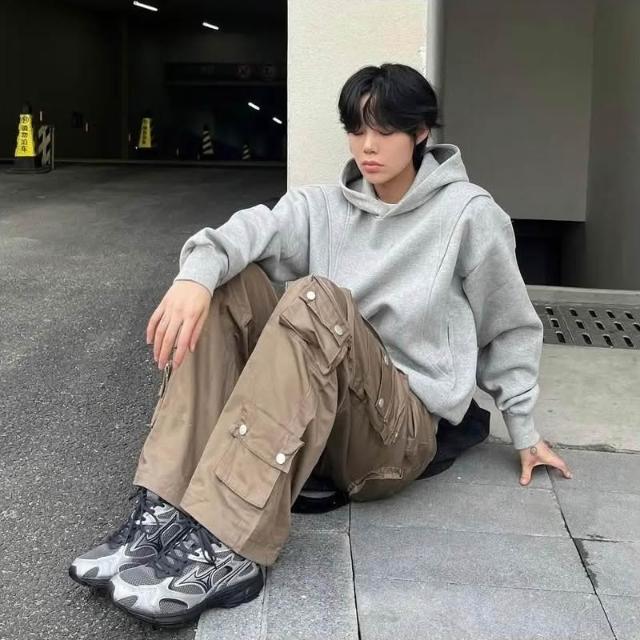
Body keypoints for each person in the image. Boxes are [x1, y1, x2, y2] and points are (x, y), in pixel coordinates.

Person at [69, 63, 573, 627]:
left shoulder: (468, 214)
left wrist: (524, 429)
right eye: (356, 129)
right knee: (230, 282)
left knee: (317, 298)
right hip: (323, 422)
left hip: (395, 439)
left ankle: (226, 540)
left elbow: (509, 325)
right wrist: (197, 276)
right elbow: (251, 230)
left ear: (421, 132)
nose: (367, 146)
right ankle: (163, 509)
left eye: (384, 130)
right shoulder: (325, 206)